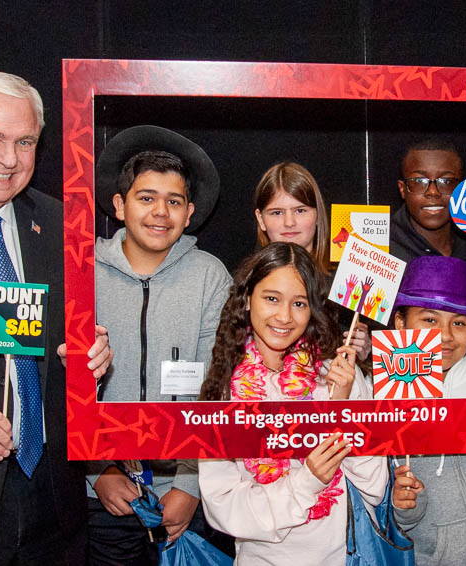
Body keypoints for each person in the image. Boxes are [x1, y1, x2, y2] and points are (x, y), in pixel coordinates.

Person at [0, 70, 112, 565]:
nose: (9, 159)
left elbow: (55, 347)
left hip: (53, 505)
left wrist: (91, 357)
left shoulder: (59, 223)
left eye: (25, 141)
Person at [88, 125, 232, 564]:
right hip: (107, 493)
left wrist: (189, 486)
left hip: (187, 494)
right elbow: (65, 383)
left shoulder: (210, 277)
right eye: (146, 197)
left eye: (173, 202)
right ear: (119, 205)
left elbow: (219, 385)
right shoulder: (82, 271)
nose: (160, 213)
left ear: (189, 213)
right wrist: (98, 473)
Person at [198, 242, 387, 566]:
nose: (284, 317)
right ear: (246, 300)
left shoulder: (338, 374)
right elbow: (224, 511)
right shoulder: (222, 392)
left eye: (299, 303)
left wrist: (341, 411)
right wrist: (307, 481)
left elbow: (375, 487)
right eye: (272, 298)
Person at [390, 255, 466, 565]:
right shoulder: (386, 394)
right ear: (400, 322)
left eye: (458, 322)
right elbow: (403, 520)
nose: (445, 335)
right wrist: (405, 505)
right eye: (429, 319)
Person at [390, 138, 466, 362]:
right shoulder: (382, 252)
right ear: (403, 189)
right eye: (419, 180)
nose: (433, 191)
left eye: (446, 181)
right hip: (406, 388)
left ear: (461, 188)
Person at [254, 161, 371, 361]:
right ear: (261, 218)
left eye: (300, 210)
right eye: (277, 212)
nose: (289, 222)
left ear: (318, 214)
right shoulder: (251, 281)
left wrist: (365, 351)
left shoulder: (349, 280)